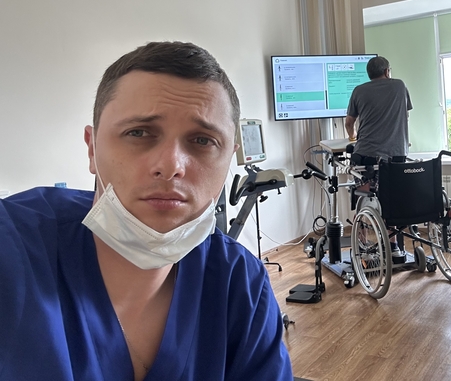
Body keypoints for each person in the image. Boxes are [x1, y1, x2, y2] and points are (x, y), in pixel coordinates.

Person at [0, 41, 293, 381]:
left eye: (202, 140)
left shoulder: (240, 284)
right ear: (92, 149)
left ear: (230, 157)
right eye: (138, 132)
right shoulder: (13, 252)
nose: (170, 166)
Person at [345, 55, 412, 258]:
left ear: (369, 74)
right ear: (386, 71)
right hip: (395, 156)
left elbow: (349, 122)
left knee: (363, 200)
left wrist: (352, 136)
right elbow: (406, 115)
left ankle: (362, 246)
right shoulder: (400, 86)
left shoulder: (359, 90)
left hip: (366, 155)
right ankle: (393, 247)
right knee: (390, 201)